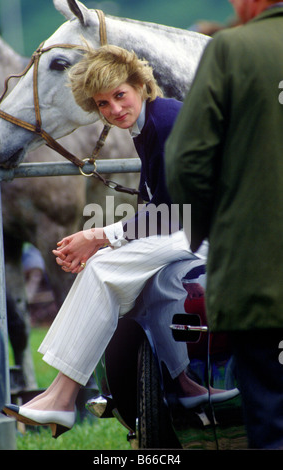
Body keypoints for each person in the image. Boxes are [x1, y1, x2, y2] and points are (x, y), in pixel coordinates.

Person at [2, 43, 237, 438]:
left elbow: (175, 210)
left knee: (104, 267)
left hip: (213, 233)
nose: (113, 109)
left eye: (119, 96)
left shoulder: (166, 122)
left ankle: (62, 397)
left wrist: (100, 235)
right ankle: (178, 384)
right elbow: (159, 205)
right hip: (192, 228)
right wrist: (107, 238)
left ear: (141, 85)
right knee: (113, 270)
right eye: (102, 104)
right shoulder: (149, 126)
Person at [165, 0, 283, 449]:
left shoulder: (232, 48)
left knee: (272, 421)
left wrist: (213, 238)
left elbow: (187, 161)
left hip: (262, 282)